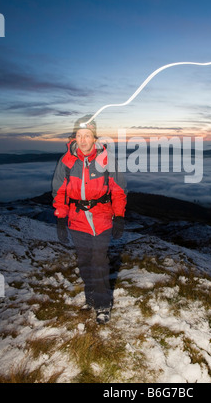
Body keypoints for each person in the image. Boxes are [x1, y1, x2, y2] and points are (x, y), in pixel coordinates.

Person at [52, 115, 127, 324]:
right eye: (79, 135)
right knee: (84, 261)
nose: (83, 140)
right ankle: (91, 298)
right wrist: (60, 219)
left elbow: (118, 190)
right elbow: (59, 192)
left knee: (99, 261)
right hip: (77, 220)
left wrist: (119, 216)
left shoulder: (106, 159)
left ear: (95, 138)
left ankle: (103, 305)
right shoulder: (66, 161)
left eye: (87, 135)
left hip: (102, 217)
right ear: (74, 136)